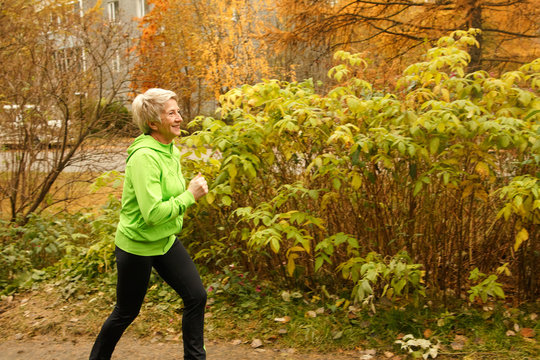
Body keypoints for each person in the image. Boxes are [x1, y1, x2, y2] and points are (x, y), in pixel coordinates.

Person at [90, 88, 208, 360]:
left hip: (164, 240)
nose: (179, 118)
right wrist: (190, 195)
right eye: (171, 113)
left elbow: (168, 199)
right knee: (126, 312)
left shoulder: (169, 149)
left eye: (177, 111)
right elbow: (153, 213)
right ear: (153, 123)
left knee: (196, 296)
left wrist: (185, 195)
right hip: (137, 246)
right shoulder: (144, 157)